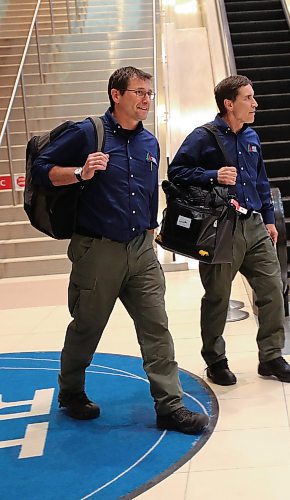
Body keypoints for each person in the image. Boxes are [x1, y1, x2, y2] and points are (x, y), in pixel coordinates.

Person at [32, 66, 208, 434]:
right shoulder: (88, 133)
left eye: (149, 93)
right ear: (116, 95)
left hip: (142, 249)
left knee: (156, 326)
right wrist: (80, 172)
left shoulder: (150, 143)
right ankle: (71, 391)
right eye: (139, 92)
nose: (146, 100)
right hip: (98, 250)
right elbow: (40, 169)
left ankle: (169, 405)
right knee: (88, 326)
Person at [168, 75, 290, 386]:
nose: (255, 104)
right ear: (229, 104)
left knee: (271, 289)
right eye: (248, 98)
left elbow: (262, 181)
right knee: (217, 297)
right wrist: (214, 175)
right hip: (220, 228)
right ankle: (215, 361)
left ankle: (271, 356)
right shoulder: (204, 136)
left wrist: (269, 218)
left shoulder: (252, 137)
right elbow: (177, 172)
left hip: (254, 224)